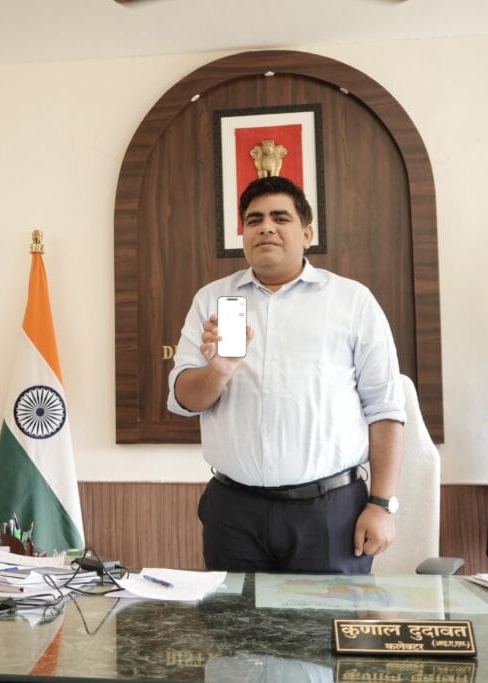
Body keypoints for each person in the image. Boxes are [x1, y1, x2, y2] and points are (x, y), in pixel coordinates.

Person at [167, 176, 406, 574]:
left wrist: (382, 505)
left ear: (307, 234)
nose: (266, 227)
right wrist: (219, 370)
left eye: (280, 218)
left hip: (330, 514)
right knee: (236, 618)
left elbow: (384, 408)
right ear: (243, 234)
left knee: (327, 618)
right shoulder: (212, 300)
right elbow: (185, 399)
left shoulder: (352, 301)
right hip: (234, 513)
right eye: (254, 219)